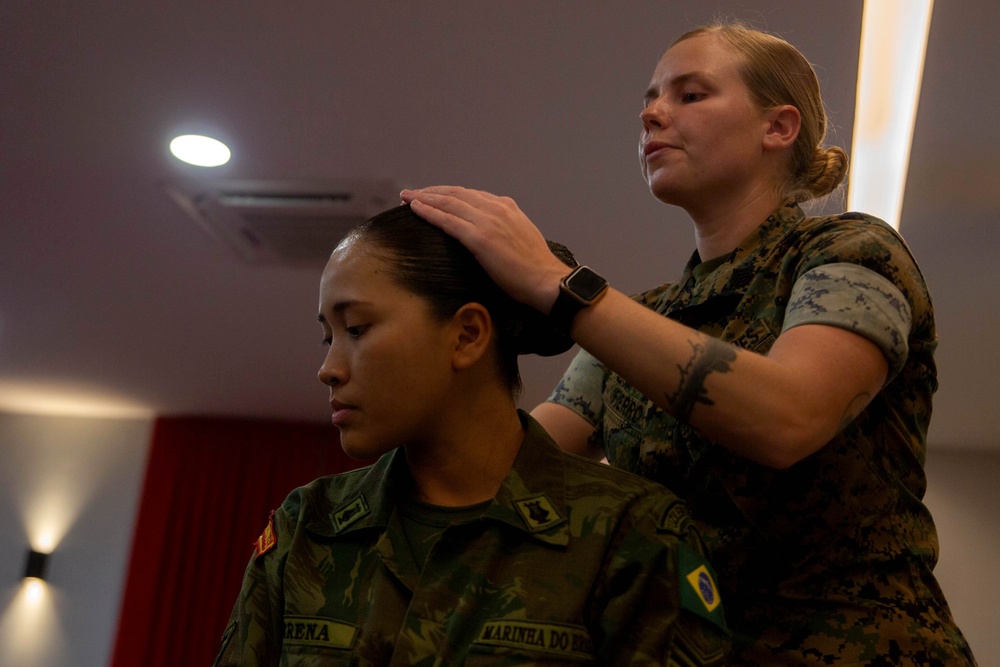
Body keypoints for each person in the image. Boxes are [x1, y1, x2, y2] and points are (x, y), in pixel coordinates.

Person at [400, 22, 977, 666]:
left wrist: (554, 284)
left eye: (690, 95)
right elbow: (510, 471)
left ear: (778, 128)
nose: (651, 113)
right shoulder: (642, 319)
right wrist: (419, 347)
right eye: (650, 99)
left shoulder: (849, 252)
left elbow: (789, 417)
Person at [212, 204, 729, 666]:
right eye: (328, 336)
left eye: (358, 329)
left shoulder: (628, 533)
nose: (328, 368)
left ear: (467, 335)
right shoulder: (309, 525)